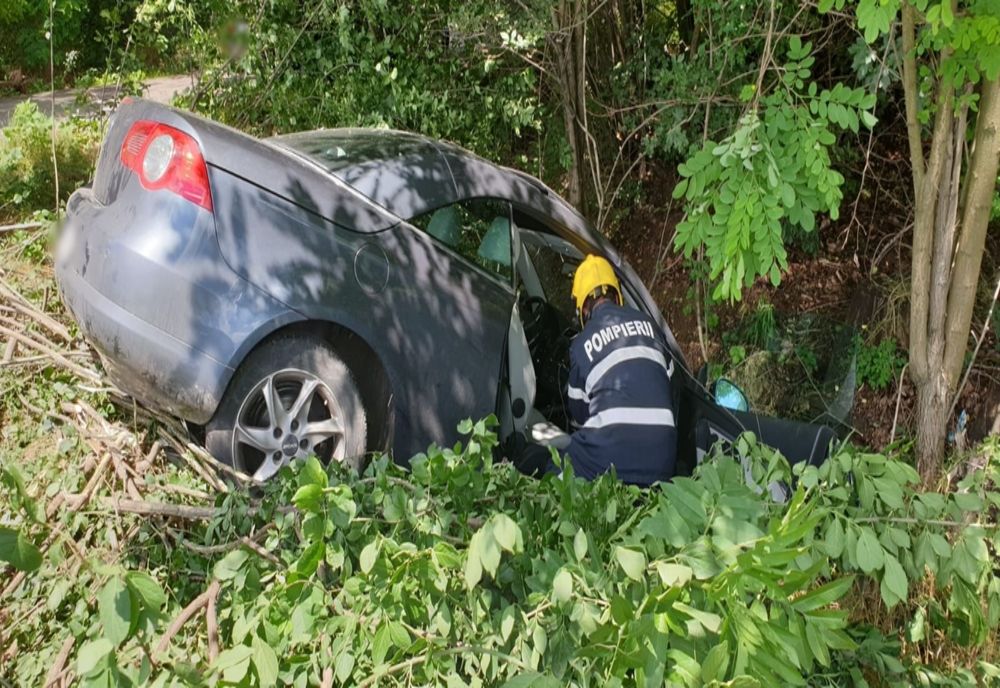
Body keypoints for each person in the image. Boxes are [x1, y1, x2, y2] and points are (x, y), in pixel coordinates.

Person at [509, 254, 678, 486]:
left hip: (609, 463)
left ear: (582, 308)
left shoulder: (581, 345)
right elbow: (667, 379)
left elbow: (579, 415)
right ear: (617, 294)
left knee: (540, 464)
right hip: (663, 465)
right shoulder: (650, 325)